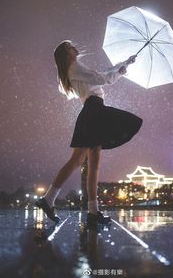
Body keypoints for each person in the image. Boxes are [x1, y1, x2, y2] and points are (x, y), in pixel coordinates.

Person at [36, 40, 142, 225]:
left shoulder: (74, 68)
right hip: (93, 111)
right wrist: (121, 66)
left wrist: (122, 67)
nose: (74, 47)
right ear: (66, 54)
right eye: (70, 46)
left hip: (96, 110)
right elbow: (101, 78)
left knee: (93, 164)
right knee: (78, 160)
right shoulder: (73, 67)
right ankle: (48, 199)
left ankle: (93, 212)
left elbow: (102, 79)